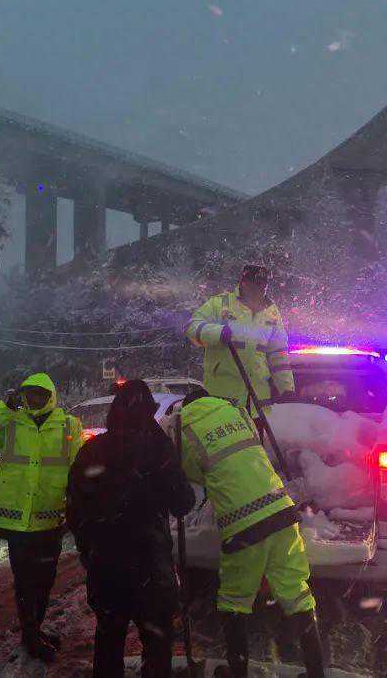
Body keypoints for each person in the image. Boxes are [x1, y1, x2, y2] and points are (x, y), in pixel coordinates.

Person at [175, 388, 323, 678]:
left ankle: (238, 670)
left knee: (234, 602)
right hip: (281, 512)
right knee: (298, 594)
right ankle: (315, 671)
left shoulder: (187, 427)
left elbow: (193, 476)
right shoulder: (236, 411)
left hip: (243, 526)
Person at [67, 379, 196, 678]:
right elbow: (183, 503)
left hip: (106, 568)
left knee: (109, 639)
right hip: (151, 568)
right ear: (149, 412)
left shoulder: (93, 451)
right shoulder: (158, 449)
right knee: (157, 642)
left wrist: (89, 550)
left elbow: (74, 509)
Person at [0, 373, 84, 662]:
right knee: (24, 582)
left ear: (51, 396)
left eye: (39, 394)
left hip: (51, 520)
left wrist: (76, 507)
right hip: (17, 523)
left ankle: (34, 631)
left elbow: (79, 468)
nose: (33, 399)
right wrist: (4, 407)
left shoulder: (69, 425)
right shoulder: (12, 422)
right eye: (28, 394)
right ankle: (31, 637)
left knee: (44, 580)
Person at [185, 264, 296, 414]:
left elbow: (278, 354)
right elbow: (192, 328)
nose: (258, 289)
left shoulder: (272, 312)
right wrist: (218, 333)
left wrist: (287, 389)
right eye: (254, 284)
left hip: (258, 404)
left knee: (254, 438)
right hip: (222, 400)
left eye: (262, 285)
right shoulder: (220, 304)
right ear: (243, 283)